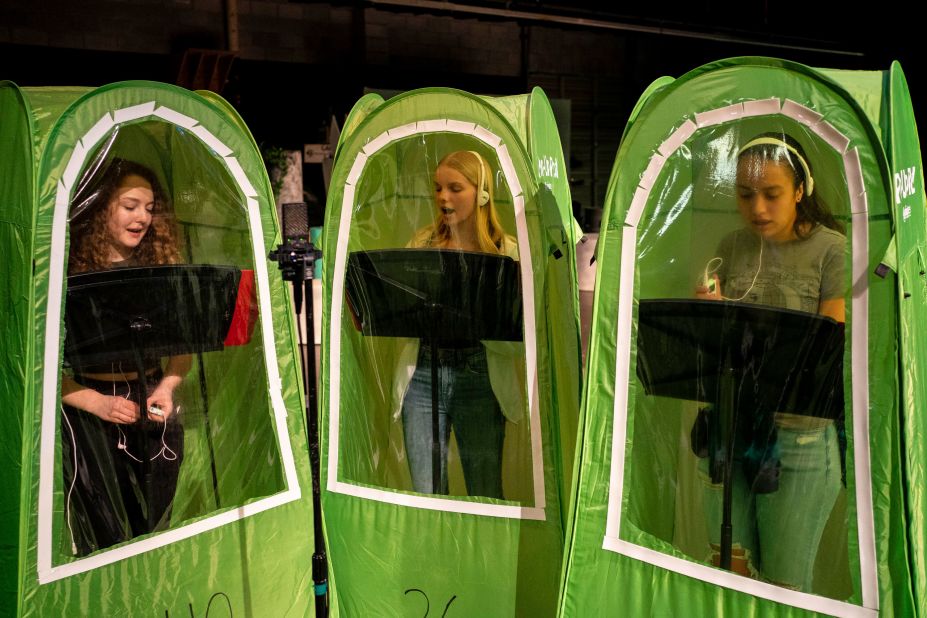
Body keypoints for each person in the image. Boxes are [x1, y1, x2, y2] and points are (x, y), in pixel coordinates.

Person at [693, 133, 846, 591]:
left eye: (772, 194)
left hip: (798, 437)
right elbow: (711, 341)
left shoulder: (832, 250)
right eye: (744, 195)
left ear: (801, 190)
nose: (757, 208)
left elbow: (828, 343)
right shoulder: (733, 245)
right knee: (729, 571)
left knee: (783, 588)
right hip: (730, 428)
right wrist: (705, 309)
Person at [61, 158, 189, 556]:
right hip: (88, 417)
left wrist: (166, 387)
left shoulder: (160, 269)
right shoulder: (66, 273)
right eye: (130, 205)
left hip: (151, 410)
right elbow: (36, 361)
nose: (143, 218)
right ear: (102, 208)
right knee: (104, 535)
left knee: (154, 528)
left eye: (150, 209)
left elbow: (182, 348)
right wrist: (96, 402)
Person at [394, 150, 523, 499]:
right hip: (422, 376)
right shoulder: (422, 245)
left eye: (454, 188)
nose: (443, 197)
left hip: (479, 378)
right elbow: (402, 312)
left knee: (485, 492)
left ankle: (483, 555)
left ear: (482, 194)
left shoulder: (506, 252)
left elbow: (519, 335)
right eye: (438, 188)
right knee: (427, 493)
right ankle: (435, 553)